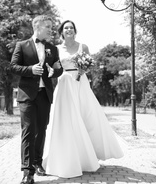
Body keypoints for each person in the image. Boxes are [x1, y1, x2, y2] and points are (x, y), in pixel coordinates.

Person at [42, 20, 124, 178]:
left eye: (71, 28)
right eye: (66, 28)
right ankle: (67, 157)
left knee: (86, 117)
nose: (69, 30)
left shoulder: (83, 47)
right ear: (62, 31)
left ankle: (87, 156)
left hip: (81, 83)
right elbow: (52, 67)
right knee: (67, 120)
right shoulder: (56, 49)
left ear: (75, 31)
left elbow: (90, 64)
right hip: (65, 83)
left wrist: (82, 69)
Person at [10, 15, 63, 184]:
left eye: (50, 26)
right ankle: (27, 171)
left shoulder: (53, 48)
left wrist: (55, 71)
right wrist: (30, 69)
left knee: (41, 130)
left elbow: (58, 68)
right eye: (47, 26)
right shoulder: (22, 45)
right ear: (37, 27)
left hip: (44, 94)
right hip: (27, 96)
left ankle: (37, 162)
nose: (50, 29)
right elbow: (13, 67)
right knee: (28, 131)